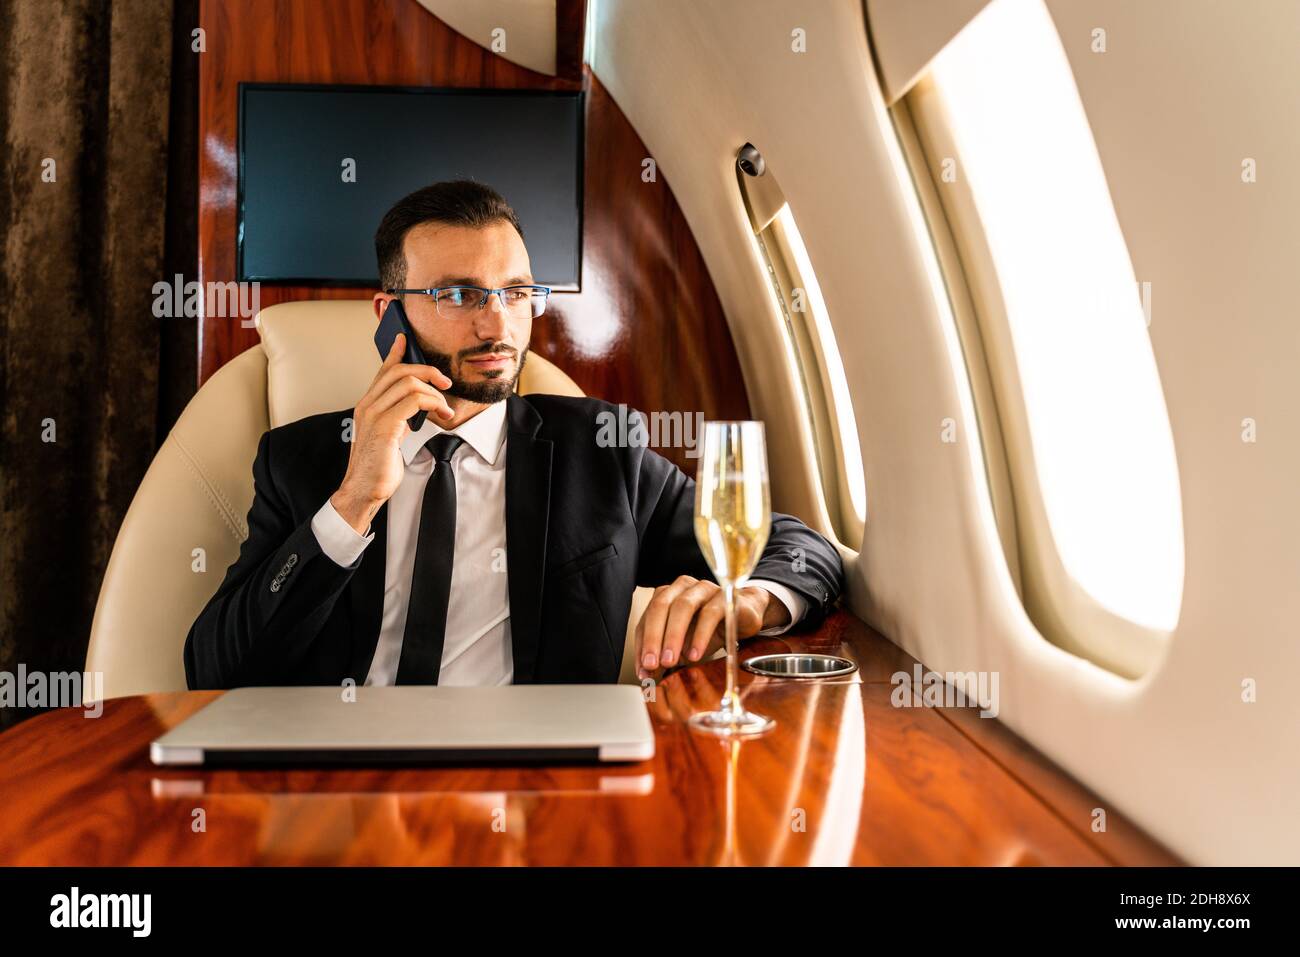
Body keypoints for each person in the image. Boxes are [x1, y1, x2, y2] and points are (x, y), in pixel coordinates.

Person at [184, 180, 844, 689]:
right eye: (458, 296)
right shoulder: (299, 459)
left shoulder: (601, 448)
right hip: (343, 787)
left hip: (538, 792)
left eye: (516, 291)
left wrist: (753, 598)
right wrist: (352, 500)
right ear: (390, 316)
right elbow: (214, 668)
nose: (497, 325)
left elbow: (797, 547)